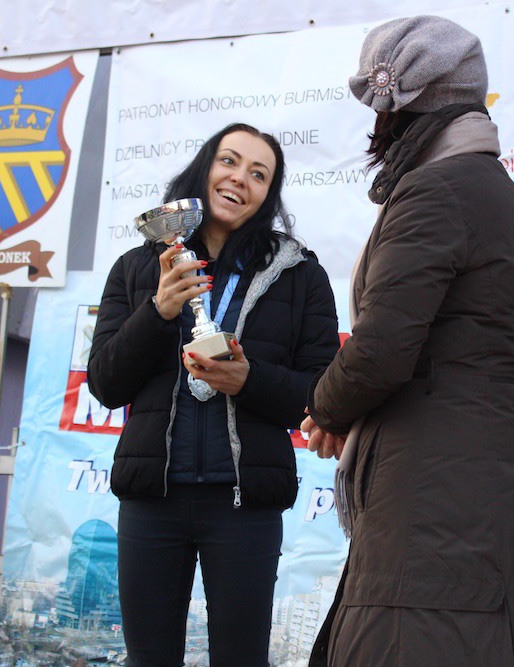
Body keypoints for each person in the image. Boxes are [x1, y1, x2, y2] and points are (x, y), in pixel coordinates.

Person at [301, 16, 514, 666]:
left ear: (403, 109)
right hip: (473, 491)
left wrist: (325, 408)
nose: (375, 131)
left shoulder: (436, 190)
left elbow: (381, 349)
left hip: (432, 502)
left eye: (380, 113)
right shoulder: (489, 188)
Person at [88, 123, 340, 667]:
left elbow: (322, 394)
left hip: (245, 504)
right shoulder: (137, 268)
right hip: (151, 500)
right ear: (204, 168)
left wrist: (248, 381)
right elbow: (106, 385)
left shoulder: (299, 276)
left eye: (258, 174)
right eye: (229, 161)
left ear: (268, 195)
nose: (239, 179)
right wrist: (158, 311)